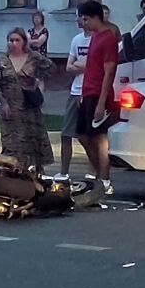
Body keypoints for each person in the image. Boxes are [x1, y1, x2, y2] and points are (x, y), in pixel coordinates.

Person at [0, 27, 53, 173]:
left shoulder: (33, 58)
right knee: (12, 143)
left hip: (29, 106)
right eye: (11, 40)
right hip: (10, 108)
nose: (13, 43)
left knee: (32, 140)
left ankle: (36, 172)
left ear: (23, 42)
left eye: (17, 40)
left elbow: (51, 67)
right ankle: (14, 171)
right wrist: (3, 102)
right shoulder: (3, 60)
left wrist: (37, 82)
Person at [76, 1, 119, 196]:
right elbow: (90, 69)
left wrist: (101, 102)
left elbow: (109, 72)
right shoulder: (94, 37)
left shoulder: (108, 38)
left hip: (99, 93)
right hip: (88, 92)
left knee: (99, 137)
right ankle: (99, 172)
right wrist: (83, 95)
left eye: (85, 19)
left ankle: (105, 179)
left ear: (95, 17)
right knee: (83, 136)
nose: (82, 22)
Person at [57, 14, 91, 181]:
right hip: (75, 90)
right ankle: (63, 172)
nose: (78, 20)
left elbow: (96, 67)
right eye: (78, 17)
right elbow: (69, 67)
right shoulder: (77, 39)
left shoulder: (98, 40)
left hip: (91, 91)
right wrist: (81, 66)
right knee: (66, 133)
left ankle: (96, 168)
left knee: (87, 136)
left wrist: (83, 66)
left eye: (82, 17)